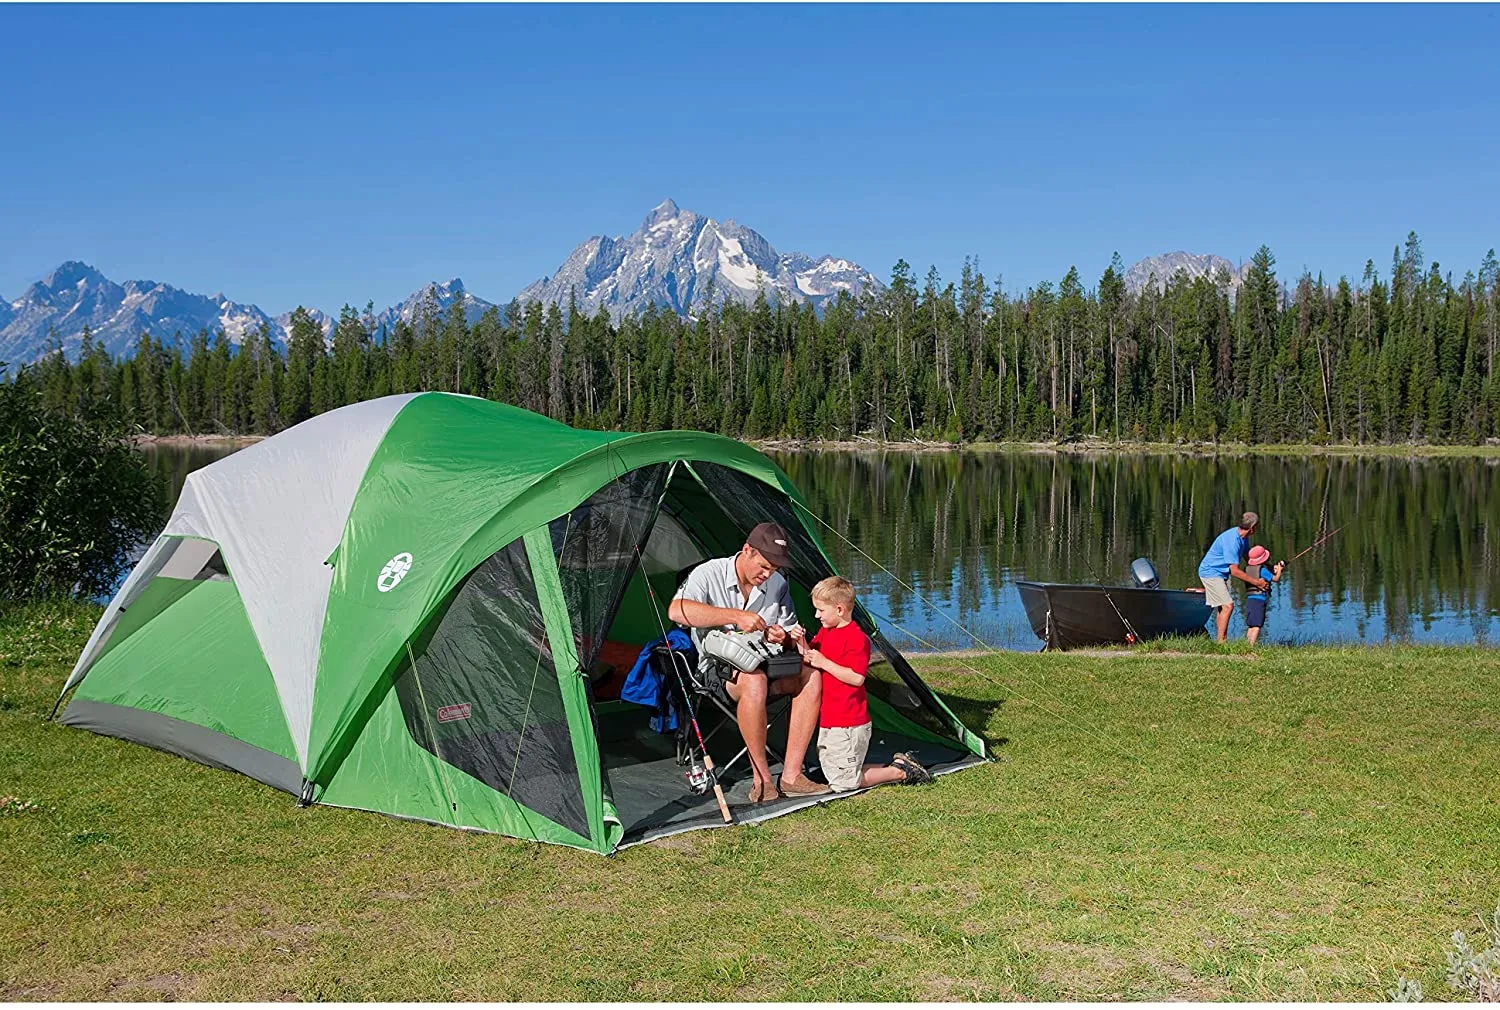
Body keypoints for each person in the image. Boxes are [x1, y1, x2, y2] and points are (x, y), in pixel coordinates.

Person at [668, 522, 829, 804]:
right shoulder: (708, 573)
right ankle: (763, 780)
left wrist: (784, 638)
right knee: (753, 680)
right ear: (747, 551)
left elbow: (790, 631)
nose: (767, 575)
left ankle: (792, 775)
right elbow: (677, 611)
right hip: (718, 672)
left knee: (811, 673)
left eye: (774, 570)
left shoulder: (777, 583)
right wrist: (734, 616)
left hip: (766, 660)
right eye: (764, 567)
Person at [796, 576, 931, 792]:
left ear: (839, 609)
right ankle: (895, 764)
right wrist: (800, 641)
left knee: (843, 783)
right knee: (834, 769)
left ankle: (900, 771)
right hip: (830, 718)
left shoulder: (856, 639)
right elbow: (811, 656)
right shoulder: (825, 632)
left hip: (849, 722)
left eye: (820, 610)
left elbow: (857, 677)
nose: (816, 615)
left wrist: (824, 662)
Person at [1198, 511, 1266, 643]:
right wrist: (1256, 582)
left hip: (1219, 573)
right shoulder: (1232, 541)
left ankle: (1220, 642)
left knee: (1222, 607)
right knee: (1228, 605)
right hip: (1210, 572)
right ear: (1252, 528)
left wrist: (1266, 568)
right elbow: (1234, 571)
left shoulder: (1243, 538)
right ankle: (1221, 643)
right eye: (1256, 526)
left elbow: (1248, 558)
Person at [1242, 544, 1285, 645]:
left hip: (1250, 599)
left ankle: (1246, 645)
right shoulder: (1262, 570)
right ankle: (1251, 647)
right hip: (1259, 600)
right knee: (1257, 625)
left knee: (1251, 625)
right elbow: (1275, 579)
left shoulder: (1247, 569)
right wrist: (1279, 570)